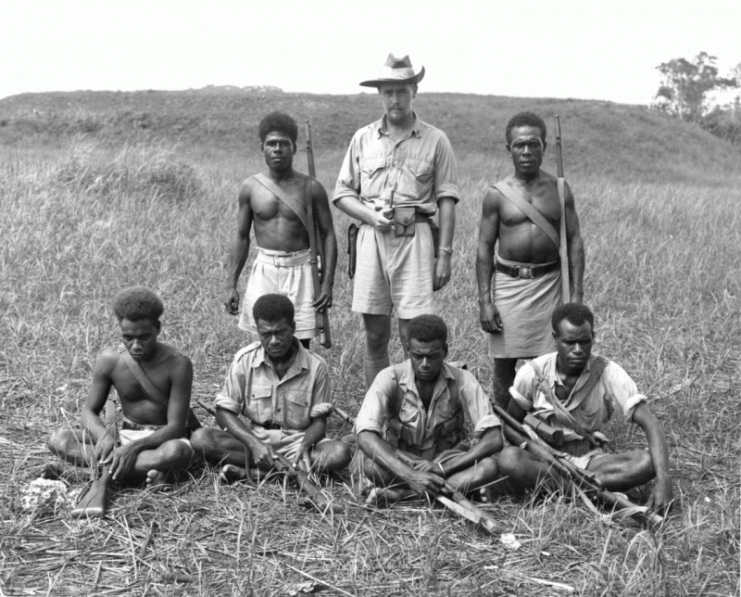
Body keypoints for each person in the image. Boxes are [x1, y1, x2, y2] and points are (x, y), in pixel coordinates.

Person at [333, 54, 460, 388]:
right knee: (375, 333)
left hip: (415, 239)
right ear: (379, 94)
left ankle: (412, 408)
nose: (394, 99)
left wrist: (444, 254)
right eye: (388, 91)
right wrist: (370, 215)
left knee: (412, 333)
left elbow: (447, 199)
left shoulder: (436, 140)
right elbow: (342, 193)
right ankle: (377, 408)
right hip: (371, 240)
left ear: (414, 91)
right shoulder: (363, 138)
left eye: (401, 91)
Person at [497, 303, 673, 512]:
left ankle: (562, 491)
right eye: (570, 343)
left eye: (584, 342)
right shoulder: (532, 373)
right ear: (555, 339)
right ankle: (592, 493)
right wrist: (533, 448)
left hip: (591, 462)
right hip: (544, 460)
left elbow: (651, 424)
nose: (578, 350)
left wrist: (664, 481)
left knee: (648, 462)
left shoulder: (609, 373)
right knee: (509, 459)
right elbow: (510, 425)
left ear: (593, 337)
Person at [476, 111, 585, 409]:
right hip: (509, 287)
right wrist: (485, 301)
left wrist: (576, 296)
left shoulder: (560, 190)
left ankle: (543, 424)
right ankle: (505, 427)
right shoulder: (496, 195)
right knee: (504, 366)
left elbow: (574, 240)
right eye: (519, 145)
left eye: (533, 144)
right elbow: (484, 247)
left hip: (550, 287)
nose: (526, 151)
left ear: (545, 147)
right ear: (508, 148)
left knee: (549, 365)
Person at [191, 294, 351, 481]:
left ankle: (256, 473)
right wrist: (254, 444)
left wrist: (306, 445)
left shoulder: (317, 366)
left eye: (280, 332)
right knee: (201, 438)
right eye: (266, 334)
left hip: (297, 444)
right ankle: (287, 472)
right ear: (258, 331)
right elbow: (223, 412)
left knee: (339, 453)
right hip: (255, 440)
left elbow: (319, 422)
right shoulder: (245, 360)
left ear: (293, 328)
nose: (274, 341)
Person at [48, 287, 195, 485]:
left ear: (158, 328)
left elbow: (176, 427)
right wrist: (104, 437)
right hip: (124, 437)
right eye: (128, 338)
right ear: (120, 330)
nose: (135, 346)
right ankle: (140, 472)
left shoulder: (178, 364)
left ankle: (88, 473)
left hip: (162, 441)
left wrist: (133, 448)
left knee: (178, 452)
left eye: (144, 337)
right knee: (60, 439)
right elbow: (88, 411)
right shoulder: (110, 361)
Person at [354, 314, 503, 504]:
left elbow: (494, 438)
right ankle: (452, 491)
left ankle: (402, 496)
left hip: (447, 464)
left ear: (446, 351)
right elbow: (365, 436)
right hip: (403, 464)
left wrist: (442, 468)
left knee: (488, 467)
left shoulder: (463, 379)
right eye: (418, 356)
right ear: (408, 351)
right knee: (371, 466)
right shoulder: (389, 378)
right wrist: (411, 475)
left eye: (432, 357)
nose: (425, 364)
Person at [225, 111, 337, 347]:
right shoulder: (250, 187)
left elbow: (328, 234)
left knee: (300, 342)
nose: (277, 149)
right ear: (262, 148)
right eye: (271, 144)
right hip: (265, 269)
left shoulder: (312, 187)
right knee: (266, 338)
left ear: (294, 148)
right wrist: (231, 285)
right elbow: (241, 237)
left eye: (284, 144)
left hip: (301, 268)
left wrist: (327, 284)